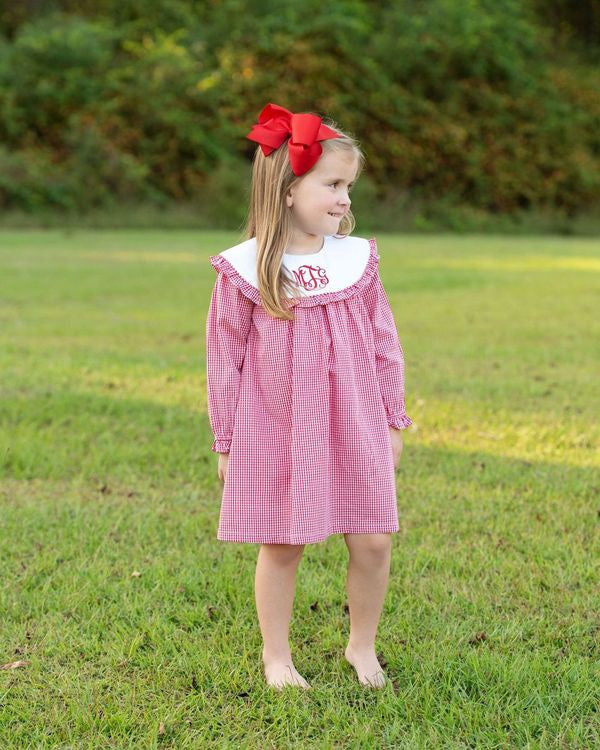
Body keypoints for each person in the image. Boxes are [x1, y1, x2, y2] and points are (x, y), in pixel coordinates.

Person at [205, 102, 413, 691]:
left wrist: (395, 420)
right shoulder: (247, 271)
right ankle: (277, 657)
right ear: (288, 190)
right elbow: (225, 361)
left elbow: (384, 342)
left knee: (372, 539)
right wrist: (225, 440)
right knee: (285, 543)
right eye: (334, 184)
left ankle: (362, 647)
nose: (346, 198)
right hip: (279, 428)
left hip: (358, 421)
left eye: (349, 185)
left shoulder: (357, 261)